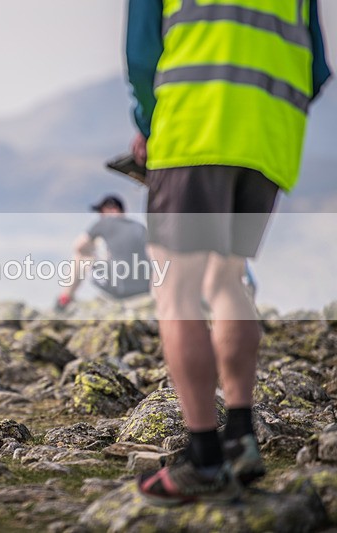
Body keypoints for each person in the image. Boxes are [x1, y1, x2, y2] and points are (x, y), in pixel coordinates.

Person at [126, 0, 330, 504]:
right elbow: (319, 68)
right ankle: (240, 438)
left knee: (175, 291)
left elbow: (141, 53)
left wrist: (151, 124)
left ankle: (205, 458)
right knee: (227, 281)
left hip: (194, 131)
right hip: (268, 143)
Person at [56, 194, 151, 309]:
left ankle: (64, 300)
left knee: (83, 256)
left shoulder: (104, 223)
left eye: (101, 211)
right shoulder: (140, 227)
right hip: (144, 289)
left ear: (112, 209)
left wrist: (95, 250)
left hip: (119, 289)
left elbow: (78, 246)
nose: (100, 215)